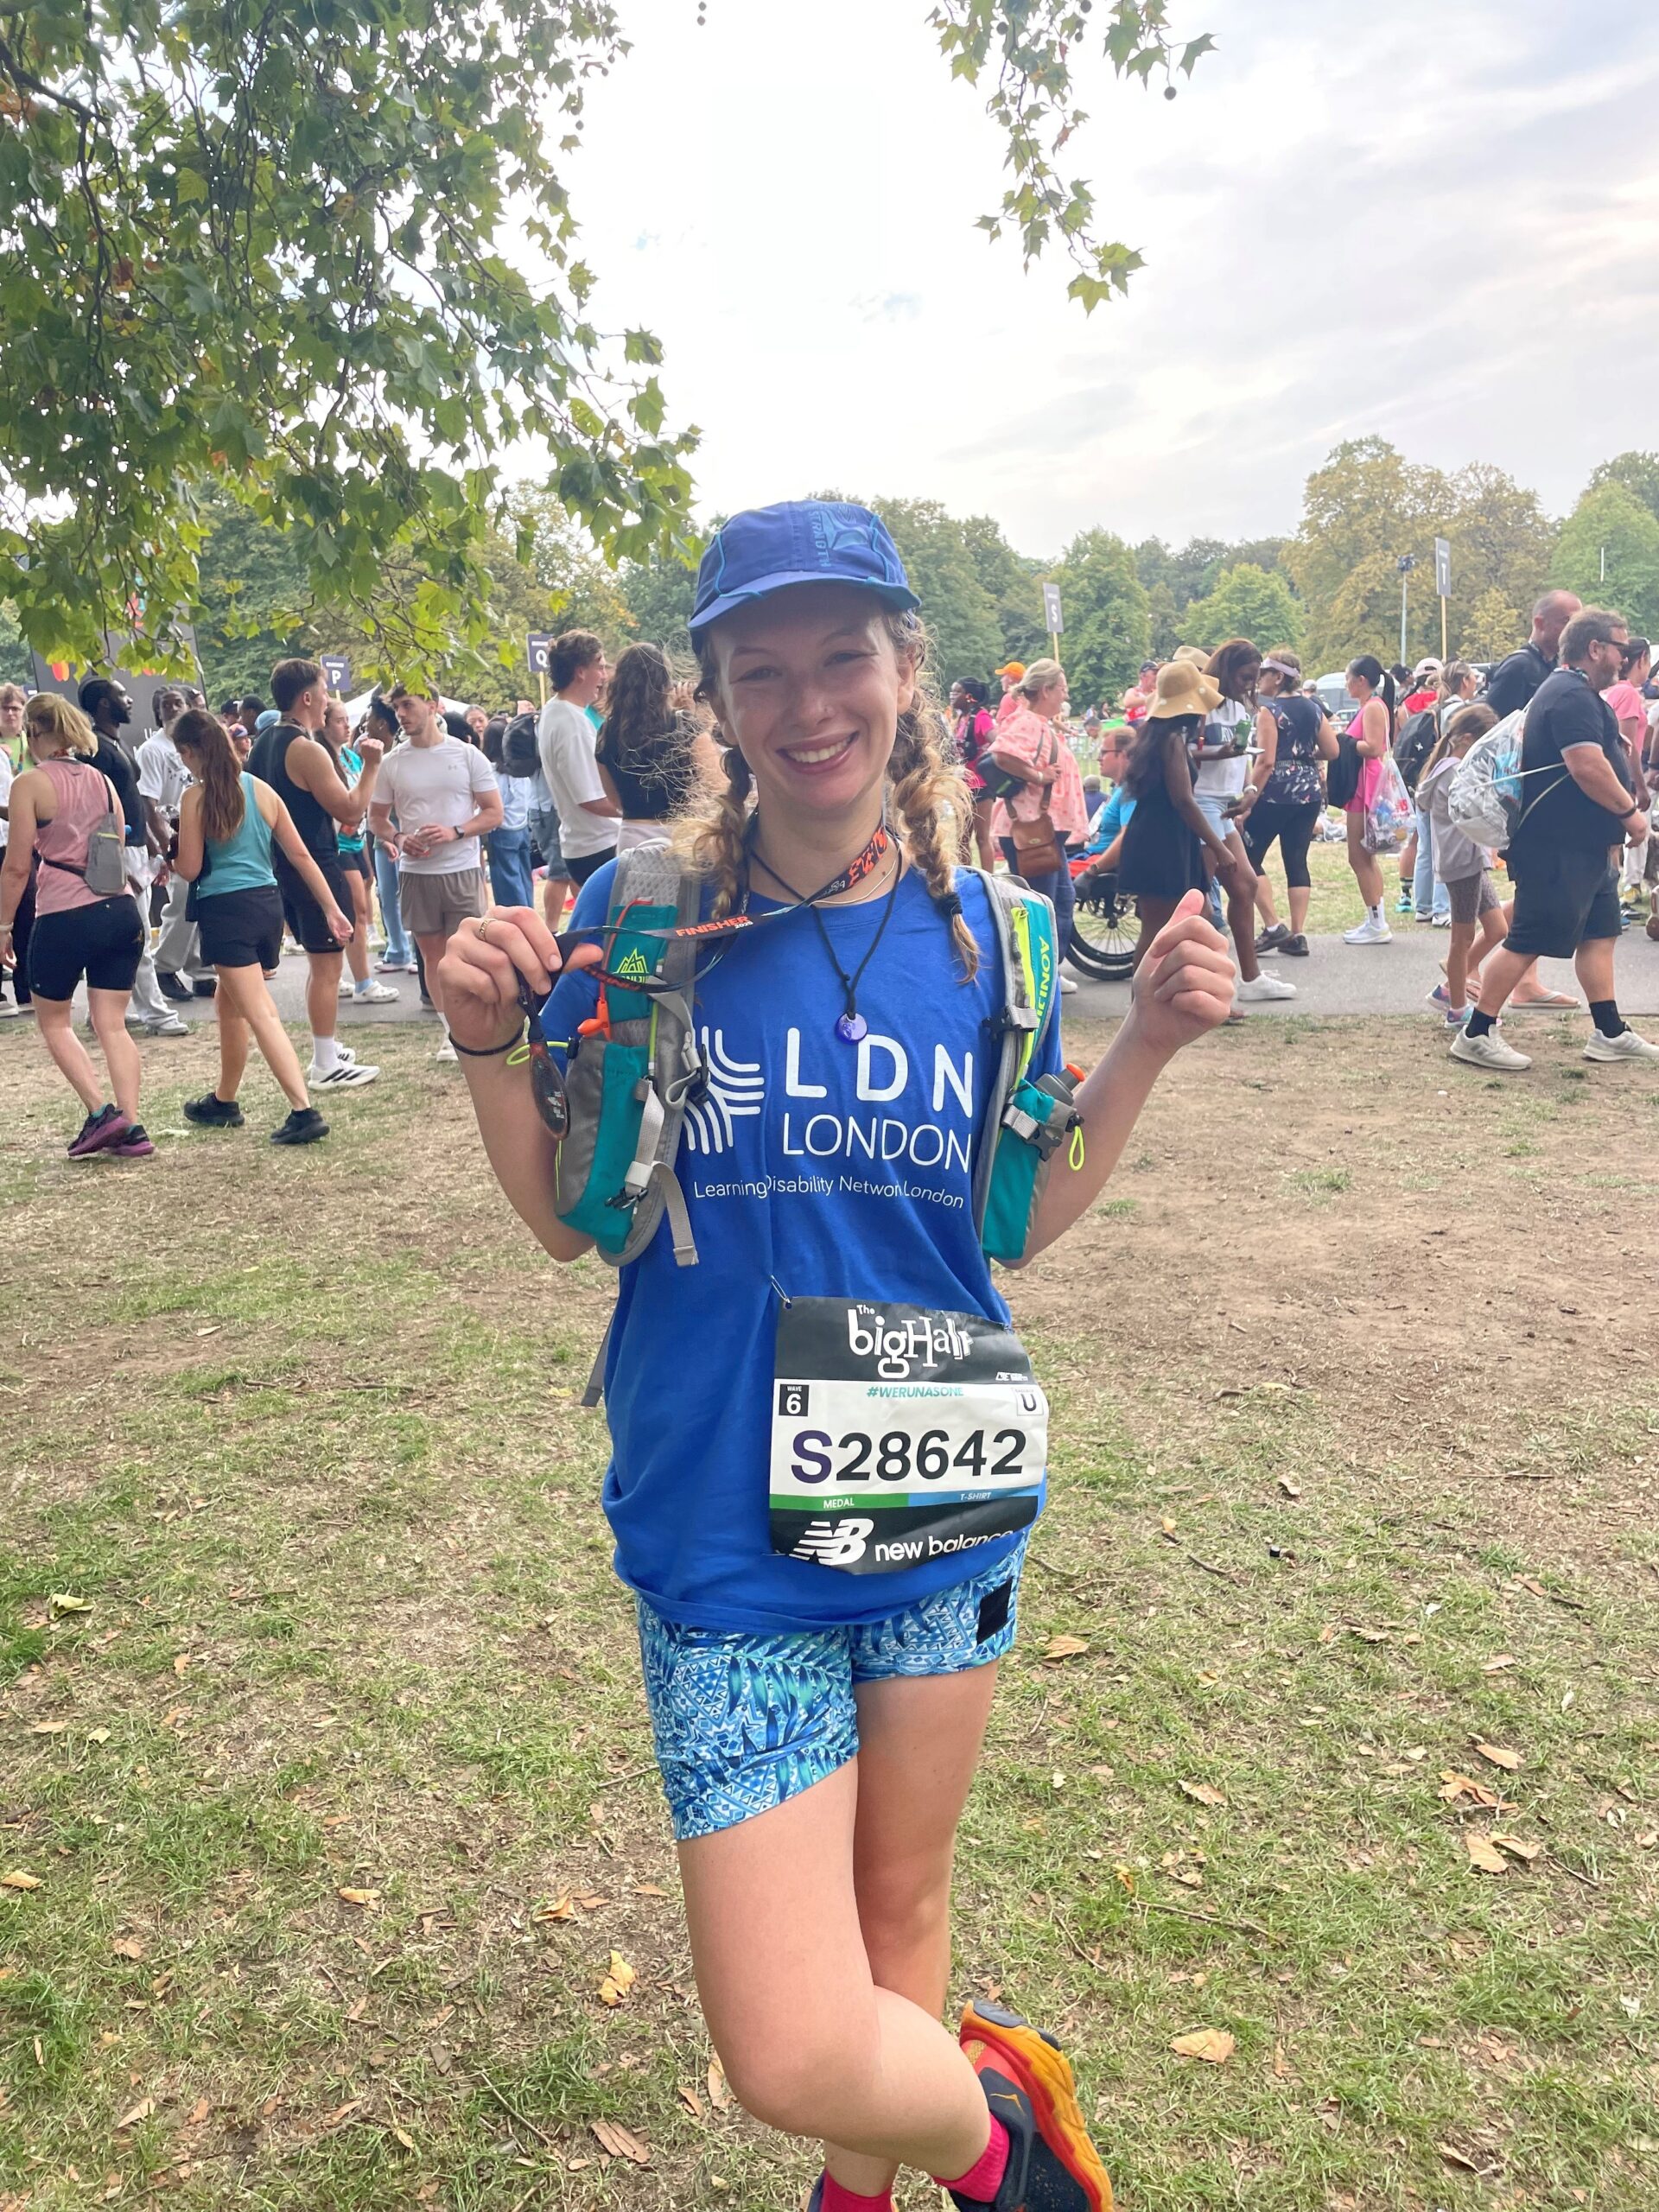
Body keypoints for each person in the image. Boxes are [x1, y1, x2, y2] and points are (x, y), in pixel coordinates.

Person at [436, 496, 1234, 2212]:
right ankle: (996, 2133)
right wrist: (489, 1047)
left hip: (937, 1489)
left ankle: (860, 2194)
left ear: (904, 674)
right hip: (723, 1513)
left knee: (901, 1916)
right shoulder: (641, 923)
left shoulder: (995, 934)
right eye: (766, 669)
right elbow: (572, 1217)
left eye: (844, 659)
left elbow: (1011, 1222)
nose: (813, 703)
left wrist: (1148, 1048)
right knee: (787, 2038)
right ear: (718, 696)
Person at [1452, 610, 1658, 1071]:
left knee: (1600, 935)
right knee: (1528, 939)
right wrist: (1630, 817)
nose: (1626, 658)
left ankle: (1608, 1031)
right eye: (1621, 649)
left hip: (1583, 845)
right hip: (1556, 846)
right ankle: (1476, 1033)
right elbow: (1586, 765)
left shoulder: (1580, 693)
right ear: (1595, 648)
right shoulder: (1569, 695)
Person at [169, 709, 347, 1144]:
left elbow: (190, 869)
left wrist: (171, 851)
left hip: (225, 911)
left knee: (260, 1012)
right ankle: (224, 1100)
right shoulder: (261, 790)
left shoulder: (195, 797)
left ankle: (303, 1111)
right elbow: (300, 856)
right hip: (267, 906)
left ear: (191, 752)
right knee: (228, 1004)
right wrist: (331, 908)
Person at [0, 695, 152, 1157]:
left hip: (64, 914)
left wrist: (4, 924)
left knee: (54, 1021)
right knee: (113, 1024)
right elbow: (117, 843)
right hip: (119, 912)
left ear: (33, 733)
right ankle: (131, 1125)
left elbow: (17, 866)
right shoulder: (103, 780)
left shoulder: (29, 784)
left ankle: (99, 1113)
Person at [249, 658, 385, 1089]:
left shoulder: (262, 744)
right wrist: (372, 766)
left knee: (320, 962)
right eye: (324, 691)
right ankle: (325, 1062)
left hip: (282, 863)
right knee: (328, 966)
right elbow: (348, 810)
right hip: (315, 863)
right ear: (307, 697)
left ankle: (327, 1046)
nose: (328, 700)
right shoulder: (304, 749)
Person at [368, 683, 502, 1064]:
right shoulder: (394, 762)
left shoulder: (466, 755)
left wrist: (455, 831)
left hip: (460, 869)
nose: (401, 715)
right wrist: (398, 836)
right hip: (416, 872)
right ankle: (451, 1032)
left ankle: (480, 1025)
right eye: (396, 708)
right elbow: (376, 818)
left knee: (470, 953)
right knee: (433, 957)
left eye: (407, 705)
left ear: (433, 705)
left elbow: (494, 812)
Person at [78, 676, 188, 1039]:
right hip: (117, 849)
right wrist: (114, 858)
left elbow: (137, 802)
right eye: (122, 695)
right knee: (135, 932)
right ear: (104, 704)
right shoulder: (94, 749)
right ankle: (156, 1013)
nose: (130, 701)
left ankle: (108, 1012)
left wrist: (155, 849)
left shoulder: (116, 742)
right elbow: (96, 809)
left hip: (137, 847)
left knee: (122, 934)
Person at [1118, 662, 1242, 975]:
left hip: (1160, 838)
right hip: (1163, 842)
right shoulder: (1171, 740)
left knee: (1191, 918)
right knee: (1160, 928)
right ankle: (1144, 1005)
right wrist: (1220, 847)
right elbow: (1184, 801)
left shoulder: (1159, 735)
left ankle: (1187, 993)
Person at [1192, 642, 1295, 1002]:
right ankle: (1207, 979)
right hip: (1201, 800)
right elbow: (1182, 749)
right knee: (1200, 896)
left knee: (1246, 885)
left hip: (1227, 802)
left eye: (1254, 678)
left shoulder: (1241, 707)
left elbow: (1244, 758)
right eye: (1244, 677)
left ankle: (1250, 979)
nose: (1250, 685)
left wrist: (1250, 789)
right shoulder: (1203, 703)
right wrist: (1215, 753)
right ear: (1225, 670)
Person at [986, 658, 1084, 991]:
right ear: (1045, 690)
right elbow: (1002, 753)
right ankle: (1037, 974)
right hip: (1033, 829)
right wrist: (1038, 776)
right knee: (1043, 905)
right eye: (1062, 689)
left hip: (1040, 829)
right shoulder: (1029, 722)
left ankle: (1043, 970)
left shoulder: (1036, 722)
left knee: (1057, 901)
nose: (1064, 696)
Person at [1417, 705, 1508, 1027]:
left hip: (1471, 859)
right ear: (1467, 739)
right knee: (1462, 938)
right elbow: (1473, 811)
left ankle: (1449, 990)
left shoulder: (1449, 766)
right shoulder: (1455, 771)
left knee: (1497, 928)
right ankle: (1457, 1010)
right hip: (1462, 861)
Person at [1244, 649, 1337, 958]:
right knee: (1296, 861)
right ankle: (1297, 934)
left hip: (1275, 793)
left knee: (1248, 856)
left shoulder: (1268, 711)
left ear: (1278, 677)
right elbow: (1332, 749)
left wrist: (1248, 797)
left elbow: (1265, 761)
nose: (1259, 682)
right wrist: (1303, 754)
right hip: (1309, 793)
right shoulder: (1313, 708)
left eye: (1263, 675)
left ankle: (1273, 925)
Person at [595, 640, 721, 849]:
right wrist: (699, 719)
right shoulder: (684, 725)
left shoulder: (606, 732)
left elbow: (614, 799)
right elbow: (716, 784)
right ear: (664, 683)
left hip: (631, 838)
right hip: (681, 836)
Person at [139, 686, 219, 1003]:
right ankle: (165, 966)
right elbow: (148, 801)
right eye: (165, 705)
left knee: (202, 902)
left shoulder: (197, 745)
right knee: (182, 901)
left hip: (201, 829)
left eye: (178, 703)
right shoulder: (153, 749)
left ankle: (201, 972)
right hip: (173, 831)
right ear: (157, 712)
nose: (172, 709)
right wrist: (165, 845)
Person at [325, 698, 399, 1006]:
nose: (348, 725)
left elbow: (366, 800)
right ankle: (363, 981)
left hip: (358, 840)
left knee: (359, 904)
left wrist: (383, 837)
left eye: (347, 719)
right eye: (339, 720)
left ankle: (343, 975)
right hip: (337, 844)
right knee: (357, 910)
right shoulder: (322, 758)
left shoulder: (354, 759)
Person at [537, 630, 619, 887]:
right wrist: (638, 813)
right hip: (598, 847)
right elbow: (591, 799)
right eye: (601, 667)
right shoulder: (573, 722)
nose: (604, 677)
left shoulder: (554, 710)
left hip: (584, 846)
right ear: (580, 671)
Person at [1339, 656, 1397, 944]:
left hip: (1366, 784)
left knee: (1359, 856)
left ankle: (1376, 922)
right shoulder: (1372, 706)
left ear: (1361, 680)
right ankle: (1376, 918)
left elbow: (1374, 747)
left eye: (1348, 678)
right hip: (1365, 782)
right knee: (1366, 857)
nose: (1346, 684)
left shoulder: (1373, 708)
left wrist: (1344, 741)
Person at [361, 695, 416, 975]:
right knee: (387, 893)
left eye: (369, 718)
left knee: (409, 893)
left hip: (404, 834)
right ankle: (398, 950)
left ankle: (411, 952)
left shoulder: (395, 756)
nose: (364, 724)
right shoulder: (376, 754)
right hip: (385, 834)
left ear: (382, 723)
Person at [1605, 637, 1654, 910]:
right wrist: (1639, 785)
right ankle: (1622, 894)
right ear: (1643, 659)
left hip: (1615, 777)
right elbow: (1628, 745)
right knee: (1623, 838)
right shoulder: (1627, 694)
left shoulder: (1613, 691)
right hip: (1625, 779)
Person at [1482, 591, 1583, 719]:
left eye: (1578, 623)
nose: (1574, 630)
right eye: (1567, 621)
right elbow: (1491, 722)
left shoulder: (1559, 665)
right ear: (1539, 623)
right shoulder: (1517, 667)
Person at [480, 715, 538, 907]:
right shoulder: (520, 770)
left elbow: (495, 804)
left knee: (508, 886)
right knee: (524, 879)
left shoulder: (492, 773)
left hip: (502, 830)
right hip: (522, 828)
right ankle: (529, 914)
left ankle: (518, 922)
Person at [950, 680, 997, 870]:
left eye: (957, 692)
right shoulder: (962, 719)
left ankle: (989, 881)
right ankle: (966, 879)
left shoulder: (981, 717)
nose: (952, 695)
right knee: (961, 837)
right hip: (962, 784)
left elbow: (997, 741)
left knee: (982, 837)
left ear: (969, 696)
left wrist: (984, 758)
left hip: (981, 785)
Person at [0, 680, 24, 1017]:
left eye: (14, 707)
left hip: (20, 837)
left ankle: (27, 986)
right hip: (12, 833)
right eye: (3, 708)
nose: (9, 714)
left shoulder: (29, 746)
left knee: (24, 912)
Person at [992, 661, 1025, 725]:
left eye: (1004, 676)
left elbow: (1005, 725)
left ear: (1010, 678)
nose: (1001, 680)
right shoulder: (1026, 698)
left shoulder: (1009, 698)